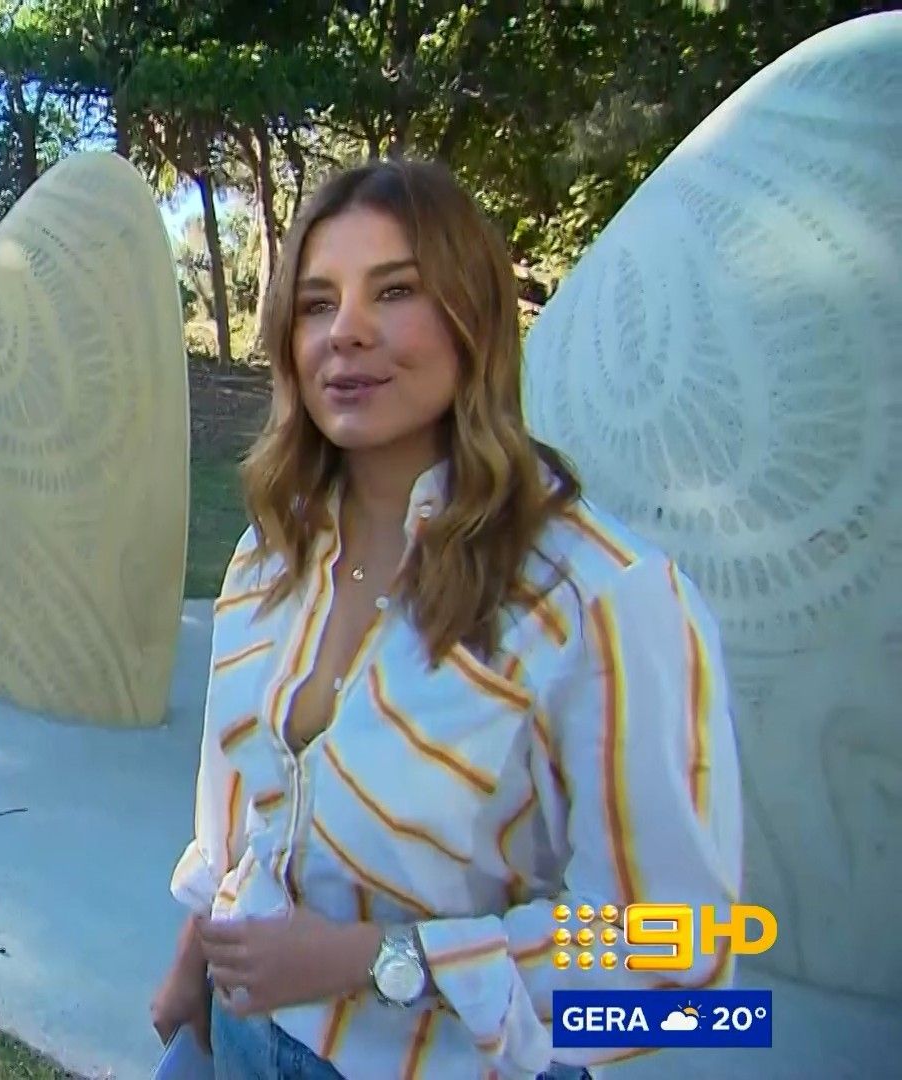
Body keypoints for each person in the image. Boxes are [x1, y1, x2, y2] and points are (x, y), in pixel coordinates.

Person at [149, 159, 742, 1079]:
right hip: (237, 1042)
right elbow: (245, 807)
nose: (346, 330)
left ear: (475, 320)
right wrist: (198, 946)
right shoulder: (271, 550)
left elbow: (688, 966)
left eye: (395, 291)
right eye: (315, 304)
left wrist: (386, 962)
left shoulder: (602, 598)